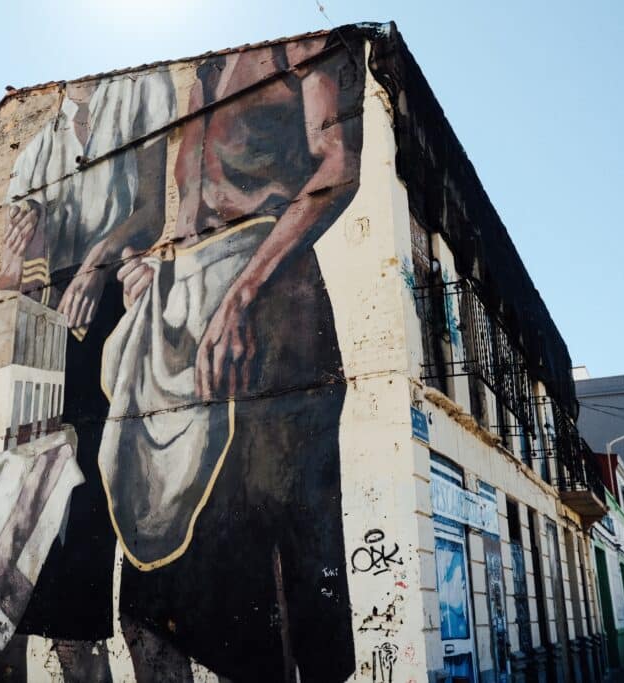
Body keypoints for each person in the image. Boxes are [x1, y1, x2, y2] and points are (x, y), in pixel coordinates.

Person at [101, 36, 364, 682]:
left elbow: (338, 166)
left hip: (276, 336)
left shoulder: (305, 39)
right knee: (148, 601)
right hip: (193, 337)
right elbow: (190, 225)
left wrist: (245, 292)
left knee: (266, 601)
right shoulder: (201, 76)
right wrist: (150, 269)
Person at [0, 70, 176, 682]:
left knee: (91, 512)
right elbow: (10, 282)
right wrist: (18, 259)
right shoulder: (33, 151)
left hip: (110, 327)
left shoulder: (143, 90)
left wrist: (95, 263)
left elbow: (150, 210)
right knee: (24, 524)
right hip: (42, 351)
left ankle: (80, 643)